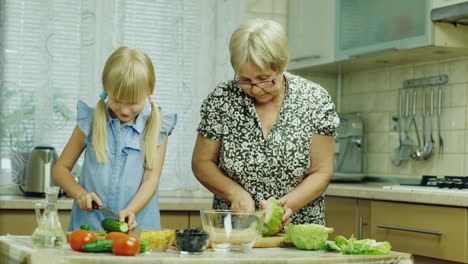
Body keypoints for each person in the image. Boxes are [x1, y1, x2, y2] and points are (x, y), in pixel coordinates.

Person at [192, 19, 339, 229]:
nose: (256, 89)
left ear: (283, 65)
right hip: (234, 229)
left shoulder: (315, 99)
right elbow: (202, 163)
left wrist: (286, 206)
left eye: (264, 78)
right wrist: (234, 193)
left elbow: (322, 171)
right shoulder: (222, 98)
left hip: (298, 231)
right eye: (245, 80)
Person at [53, 47, 177, 232]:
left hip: (139, 227)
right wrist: (80, 194)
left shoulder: (157, 127)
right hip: (90, 226)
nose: (125, 110)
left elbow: (151, 179)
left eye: (133, 102)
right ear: (105, 88)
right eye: (118, 100)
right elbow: (60, 169)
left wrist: (131, 210)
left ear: (149, 90)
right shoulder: (90, 121)